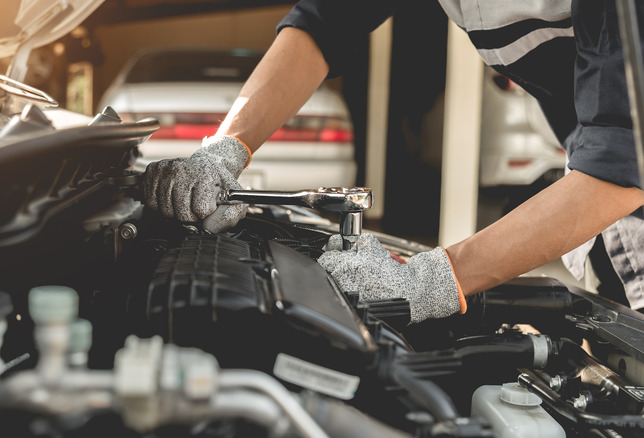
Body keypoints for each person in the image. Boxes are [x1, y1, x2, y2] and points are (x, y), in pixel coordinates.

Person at [143, 0, 644, 324]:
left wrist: (429, 281)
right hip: (606, 211)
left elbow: (619, 159)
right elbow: (322, 24)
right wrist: (223, 151)